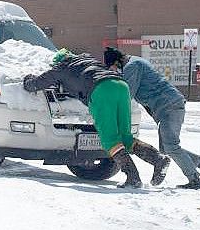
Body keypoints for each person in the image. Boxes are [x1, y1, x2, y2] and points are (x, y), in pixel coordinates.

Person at [23, 49, 144, 188]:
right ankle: (158, 159)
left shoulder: (61, 67)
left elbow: (37, 83)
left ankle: (133, 178)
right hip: (122, 86)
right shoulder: (88, 59)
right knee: (125, 137)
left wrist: (28, 80)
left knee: (110, 140)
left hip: (102, 90)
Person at [104, 47, 200, 190]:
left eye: (112, 68)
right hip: (167, 107)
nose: (114, 71)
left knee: (171, 146)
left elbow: (127, 95)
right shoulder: (135, 62)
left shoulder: (132, 67)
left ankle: (194, 179)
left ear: (117, 61)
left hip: (169, 106)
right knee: (166, 148)